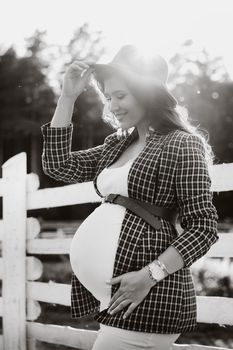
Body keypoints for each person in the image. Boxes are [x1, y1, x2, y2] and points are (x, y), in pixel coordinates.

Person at [41, 45, 219, 350]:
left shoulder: (181, 144)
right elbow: (58, 165)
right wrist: (68, 97)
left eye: (120, 96)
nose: (112, 107)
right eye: (109, 98)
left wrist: (149, 276)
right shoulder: (117, 145)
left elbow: (203, 228)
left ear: (146, 92)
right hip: (118, 304)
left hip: (149, 300)